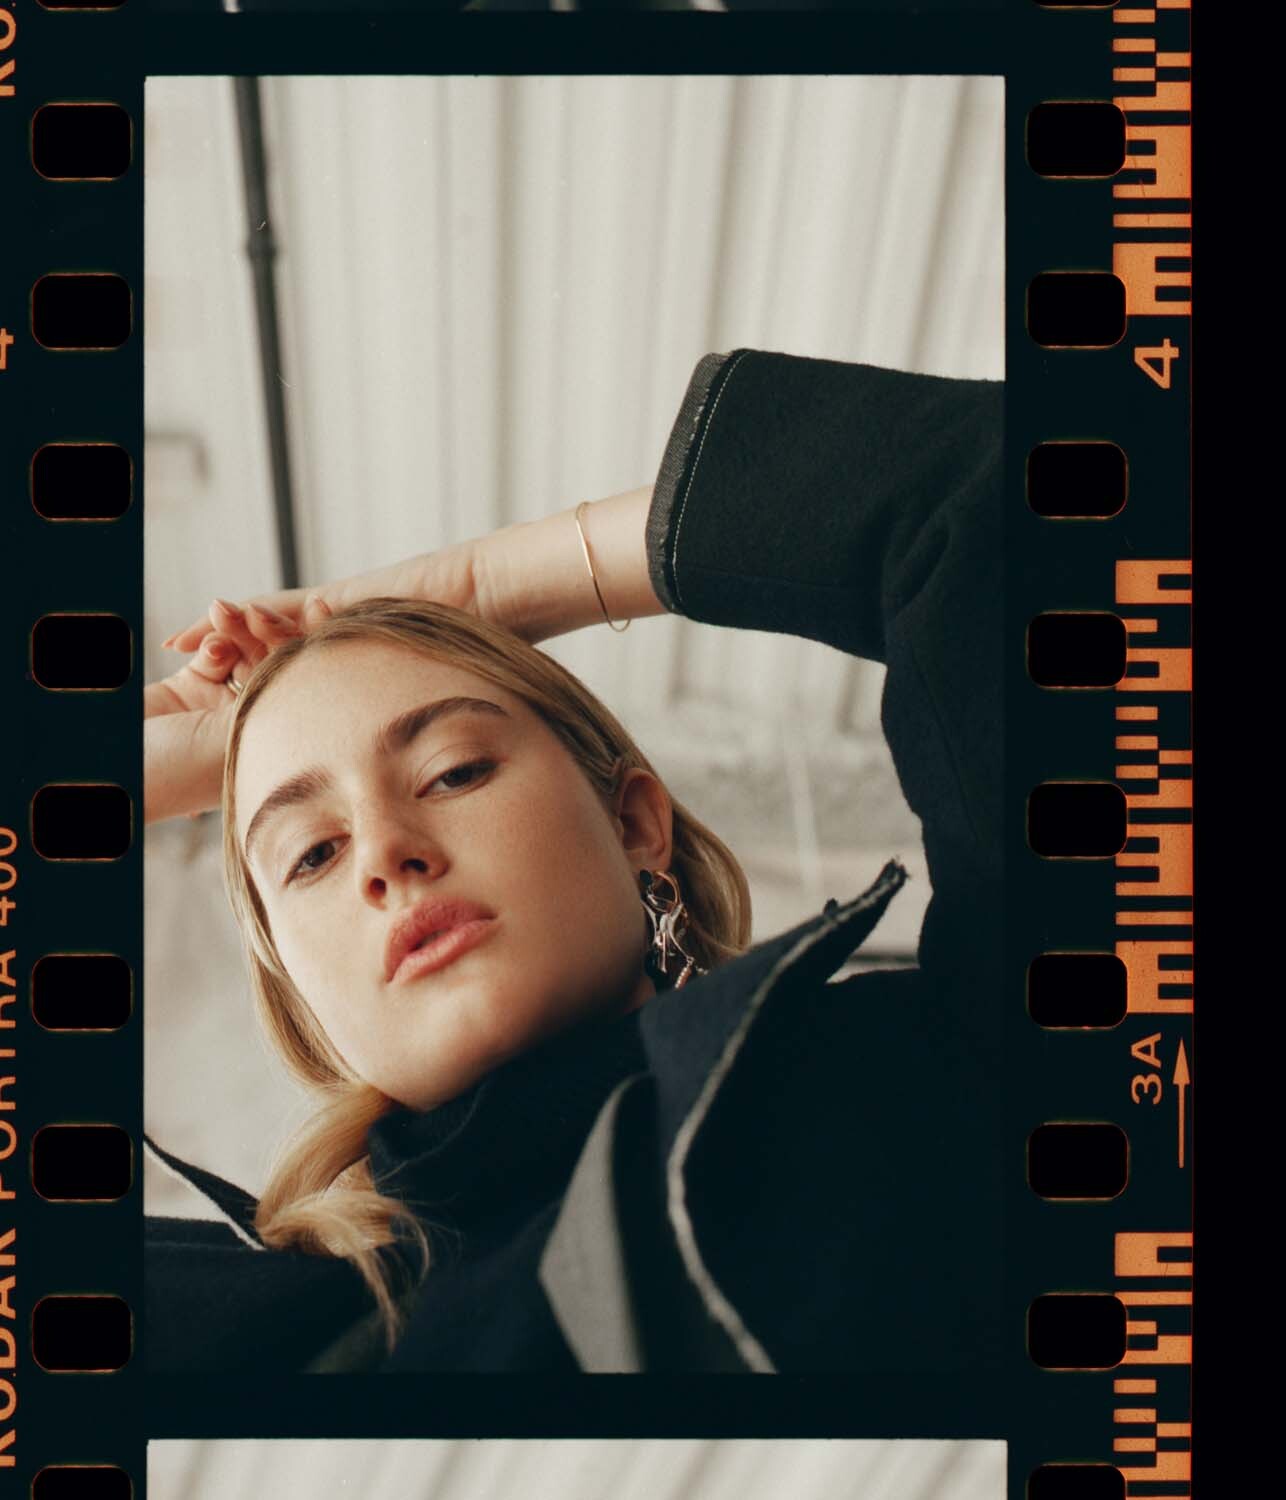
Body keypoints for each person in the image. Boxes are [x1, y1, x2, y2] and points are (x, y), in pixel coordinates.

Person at [144, 347, 1003, 1374]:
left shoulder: (943, 1066)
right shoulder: (268, 1333)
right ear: (298, 993)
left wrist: (475, 589)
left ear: (635, 822)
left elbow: (1002, 495)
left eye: (454, 770)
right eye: (311, 853)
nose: (384, 853)